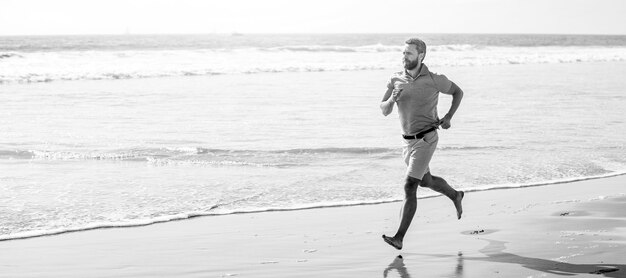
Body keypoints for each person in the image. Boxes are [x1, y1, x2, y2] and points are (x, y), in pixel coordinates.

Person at [380, 38, 465, 250]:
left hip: (427, 138)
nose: (404, 57)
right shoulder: (395, 79)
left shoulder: (434, 79)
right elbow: (383, 109)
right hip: (407, 142)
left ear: (421, 56)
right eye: (403, 53)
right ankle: (455, 195)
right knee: (425, 181)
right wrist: (392, 100)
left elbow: (458, 92)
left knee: (409, 186)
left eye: (409, 53)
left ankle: (399, 237)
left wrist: (448, 117)